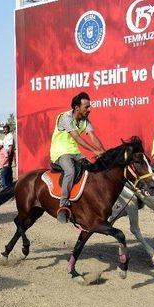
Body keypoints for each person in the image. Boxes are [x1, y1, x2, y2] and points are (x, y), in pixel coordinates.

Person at [50, 92, 105, 224]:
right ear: (77, 108)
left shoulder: (85, 121)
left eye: (89, 106)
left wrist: (104, 152)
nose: (89, 109)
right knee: (70, 171)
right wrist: (94, 150)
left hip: (75, 153)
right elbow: (76, 137)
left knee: (93, 170)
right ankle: (63, 206)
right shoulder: (65, 117)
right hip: (60, 152)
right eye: (86, 107)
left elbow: (93, 137)